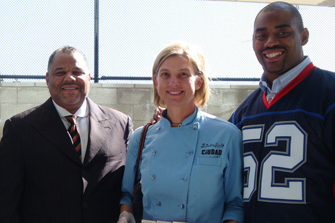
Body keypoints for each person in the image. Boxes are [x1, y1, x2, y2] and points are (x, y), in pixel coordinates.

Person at [0, 46, 133, 223]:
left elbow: (132, 185)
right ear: (47, 79)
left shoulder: (121, 124)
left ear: (89, 77)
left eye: (77, 72)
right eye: (60, 72)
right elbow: (6, 201)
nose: (69, 78)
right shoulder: (19, 129)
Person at [229, 2, 335, 223]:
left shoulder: (329, 93)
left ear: (303, 36)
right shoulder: (245, 110)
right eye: (261, 35)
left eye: (283, 32)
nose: (271, 42)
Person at [118, 42, 244, 223]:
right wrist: (125, 214)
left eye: (183, 74)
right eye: (165, 74)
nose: (173, 82)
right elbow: (127, 193)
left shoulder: (227, 135)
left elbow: (234, 203)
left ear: (199, 81)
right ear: (156, 80)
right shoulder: (141, 137)